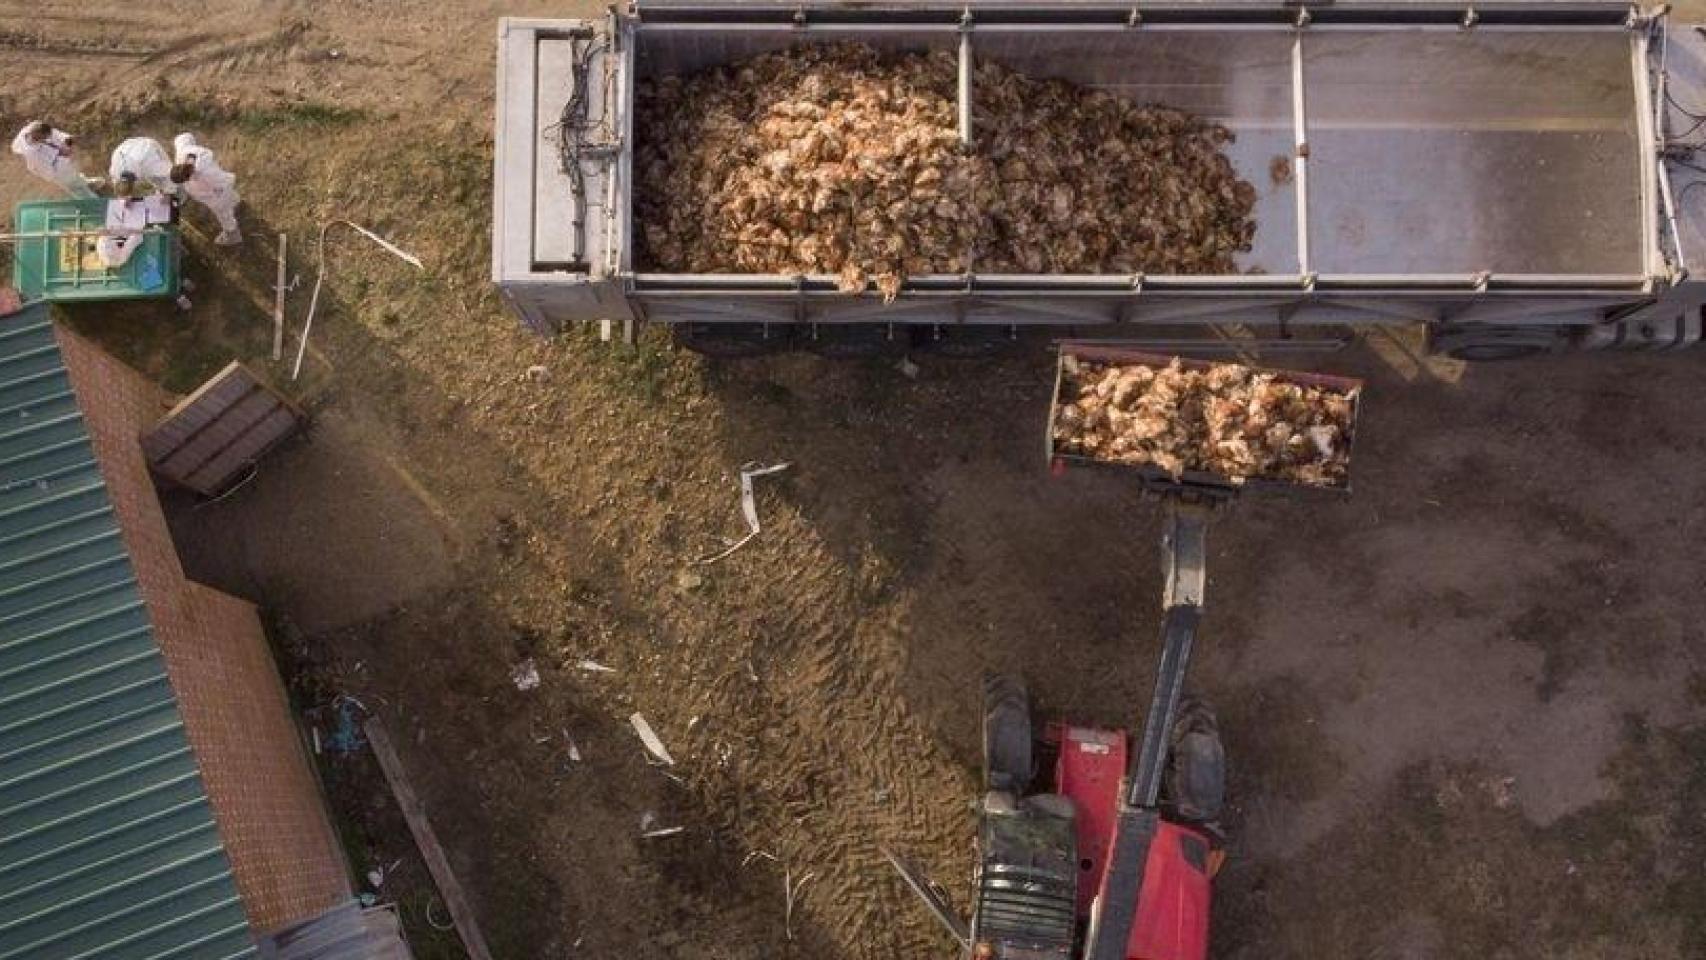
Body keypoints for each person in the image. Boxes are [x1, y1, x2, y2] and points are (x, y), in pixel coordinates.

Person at [171, 132, 242, 245]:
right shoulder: (184, 153)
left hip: (219, 192)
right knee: (230, 198)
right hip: (220, 184)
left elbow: (222, 186)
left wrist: (219, 198)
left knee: (224, 214)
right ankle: (235, 201)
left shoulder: (205, 177)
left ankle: (232, 234)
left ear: (186, 179)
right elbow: (183, 137)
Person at [10, 121, 95, 198]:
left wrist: (67, 140)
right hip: (55, 170)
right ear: (39, 138)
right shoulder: (31, 153)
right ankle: (90, 200)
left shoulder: (34, 127)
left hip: (62, 164)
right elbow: (48, 164)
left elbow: (54, 133)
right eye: (45, 138)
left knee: (75, 176)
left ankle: (85, 184)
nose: (49, 138)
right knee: (73, 185)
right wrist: (61, 153)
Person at [109, 136, 177, 198]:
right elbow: (117, 183)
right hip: (127, 147)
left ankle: (175, 194)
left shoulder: (151, 165)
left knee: (162, 182)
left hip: (149, 148)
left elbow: (170, 173)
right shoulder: (116, 169)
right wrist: (123, 199)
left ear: (132, 185)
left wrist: (169, 192)